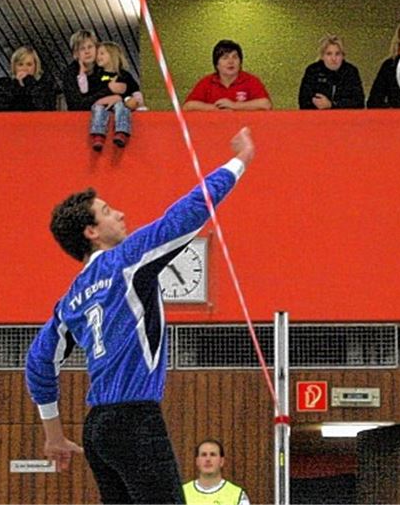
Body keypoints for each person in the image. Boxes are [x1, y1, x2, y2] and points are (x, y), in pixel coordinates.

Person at [24, 128, 256, 504]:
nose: (120, 214)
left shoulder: (70, 300)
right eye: (107, 211)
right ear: (91, 232)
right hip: (134, 420)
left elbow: (38, 361)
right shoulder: (126, 260)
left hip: (97, 429)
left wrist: (53, 434)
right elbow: (185, 214)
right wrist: (240, 161)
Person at [184, 40, 272, 111]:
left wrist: (234, 106)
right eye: (225, 58)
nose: (231, 61)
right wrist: (215, 109)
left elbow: (266, 104)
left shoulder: (251, 80)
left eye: (235, 57)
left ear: (240, 62)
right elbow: (188, 106)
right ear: (216, 64)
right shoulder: (207, 82)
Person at [88, 41, 142, 150]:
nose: (98, 57)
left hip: (120, 104)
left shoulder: (125, 75)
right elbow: (92, 92)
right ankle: (98, 135)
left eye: (102, 53)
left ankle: (121, 132)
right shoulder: (96, 75)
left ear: (112, 55)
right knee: (98, 108)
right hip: (102, 104)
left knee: (121, 106)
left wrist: (137, 102)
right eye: (97, 54)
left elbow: (135, 91)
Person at [297, 34, 365, 110]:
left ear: (343, 56)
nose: (333, 58)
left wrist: (332, 104)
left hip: (344, 116)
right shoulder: (313, 71)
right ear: (322, 56)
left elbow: (359, 102)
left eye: (337, 54)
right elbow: (303, 101)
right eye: (329, 54)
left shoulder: (350, 72)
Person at [0, 45, 58, 111]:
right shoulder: (5, 85)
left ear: (36, 66)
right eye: (20, 64)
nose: (24, 68)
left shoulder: (45, 85)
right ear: (14, 67)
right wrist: (15, 85)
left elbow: (46, 108)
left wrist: (30, 83)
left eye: (29, 64)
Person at [62, 29, 116, 112]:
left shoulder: (106, 67)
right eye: (82, 48)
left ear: (96, 48)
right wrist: (107, 92)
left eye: (90, 47)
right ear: (76, 54)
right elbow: (75, 105)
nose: (87, 51)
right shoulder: (70, 73)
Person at [182, 439, 250, 505]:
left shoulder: (238, 495)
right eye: (204, 455)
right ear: (197, 461)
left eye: (213, 454)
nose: (208, 459)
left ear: (221, 461)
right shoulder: (182, 493)